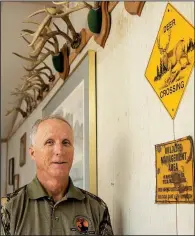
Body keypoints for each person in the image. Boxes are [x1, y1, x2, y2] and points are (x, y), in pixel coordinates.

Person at [1, 115, 113, 235]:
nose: (59, 151)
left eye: (66, 142)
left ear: (73, 152)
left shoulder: (97, 208)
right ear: (33, 153)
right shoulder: (9, 208)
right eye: (49, 142)